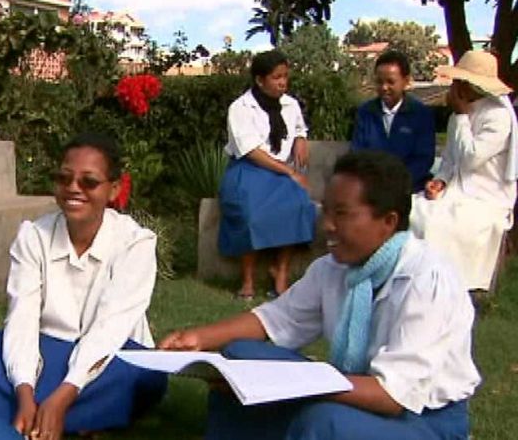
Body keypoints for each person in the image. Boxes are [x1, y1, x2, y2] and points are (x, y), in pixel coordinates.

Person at [161, 151, 480, 440]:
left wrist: (294, 383)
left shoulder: (426, 279)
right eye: (326, 210)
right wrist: (198, 338)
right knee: (240, 356)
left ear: (388, 222)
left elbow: (392, 396)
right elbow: (276, 319)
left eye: (341, 213)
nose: (327, 225)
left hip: (421, 419)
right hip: (354, 389)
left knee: (325, 422)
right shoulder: (333, 268)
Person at [0, 133, 167, 440]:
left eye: (89, 182)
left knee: (142, 373)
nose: (74, 188)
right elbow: (22, 319)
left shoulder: (136, 243)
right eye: (64, 178)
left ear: (114, 189)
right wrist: (24, 391)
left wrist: (64, 396)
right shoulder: (33, 236)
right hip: (46, 351)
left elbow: (110, 330)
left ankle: (38, 411)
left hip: (111, 356)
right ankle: (53, 414)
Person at [411, 50, 518, 291]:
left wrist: (461, 116)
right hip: (455, 191)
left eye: (460, 81)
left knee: (437, 223)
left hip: (485, 196)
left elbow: (471, 159)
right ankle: (416, 278)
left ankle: (445, 282)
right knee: (413, 210)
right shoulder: (456, 117)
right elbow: (450, 160)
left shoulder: (497, 117)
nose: (455, 86)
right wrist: (440, 181)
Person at [219, 49, 316, 299]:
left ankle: (280, 272)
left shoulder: (290, 104)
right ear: (260, 80)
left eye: (285, 76)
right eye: (276, 77)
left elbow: (299, 127)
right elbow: (251, 151)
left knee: (299, 204)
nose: (283, 82)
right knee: (250, 213)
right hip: (248, 169)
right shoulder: (240, 108)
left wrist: (301, 138)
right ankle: (248, 280)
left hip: (279, 172)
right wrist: (290, 172)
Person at [351, 50, 436, 192]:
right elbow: (357, 154)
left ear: (405, 81)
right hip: (372, 189)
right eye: (379, 82)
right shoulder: (365, 112)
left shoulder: (421, 114)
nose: (384, 87)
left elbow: (423, 159)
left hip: (409, 188)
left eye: (390, 82)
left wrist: (397, 183)